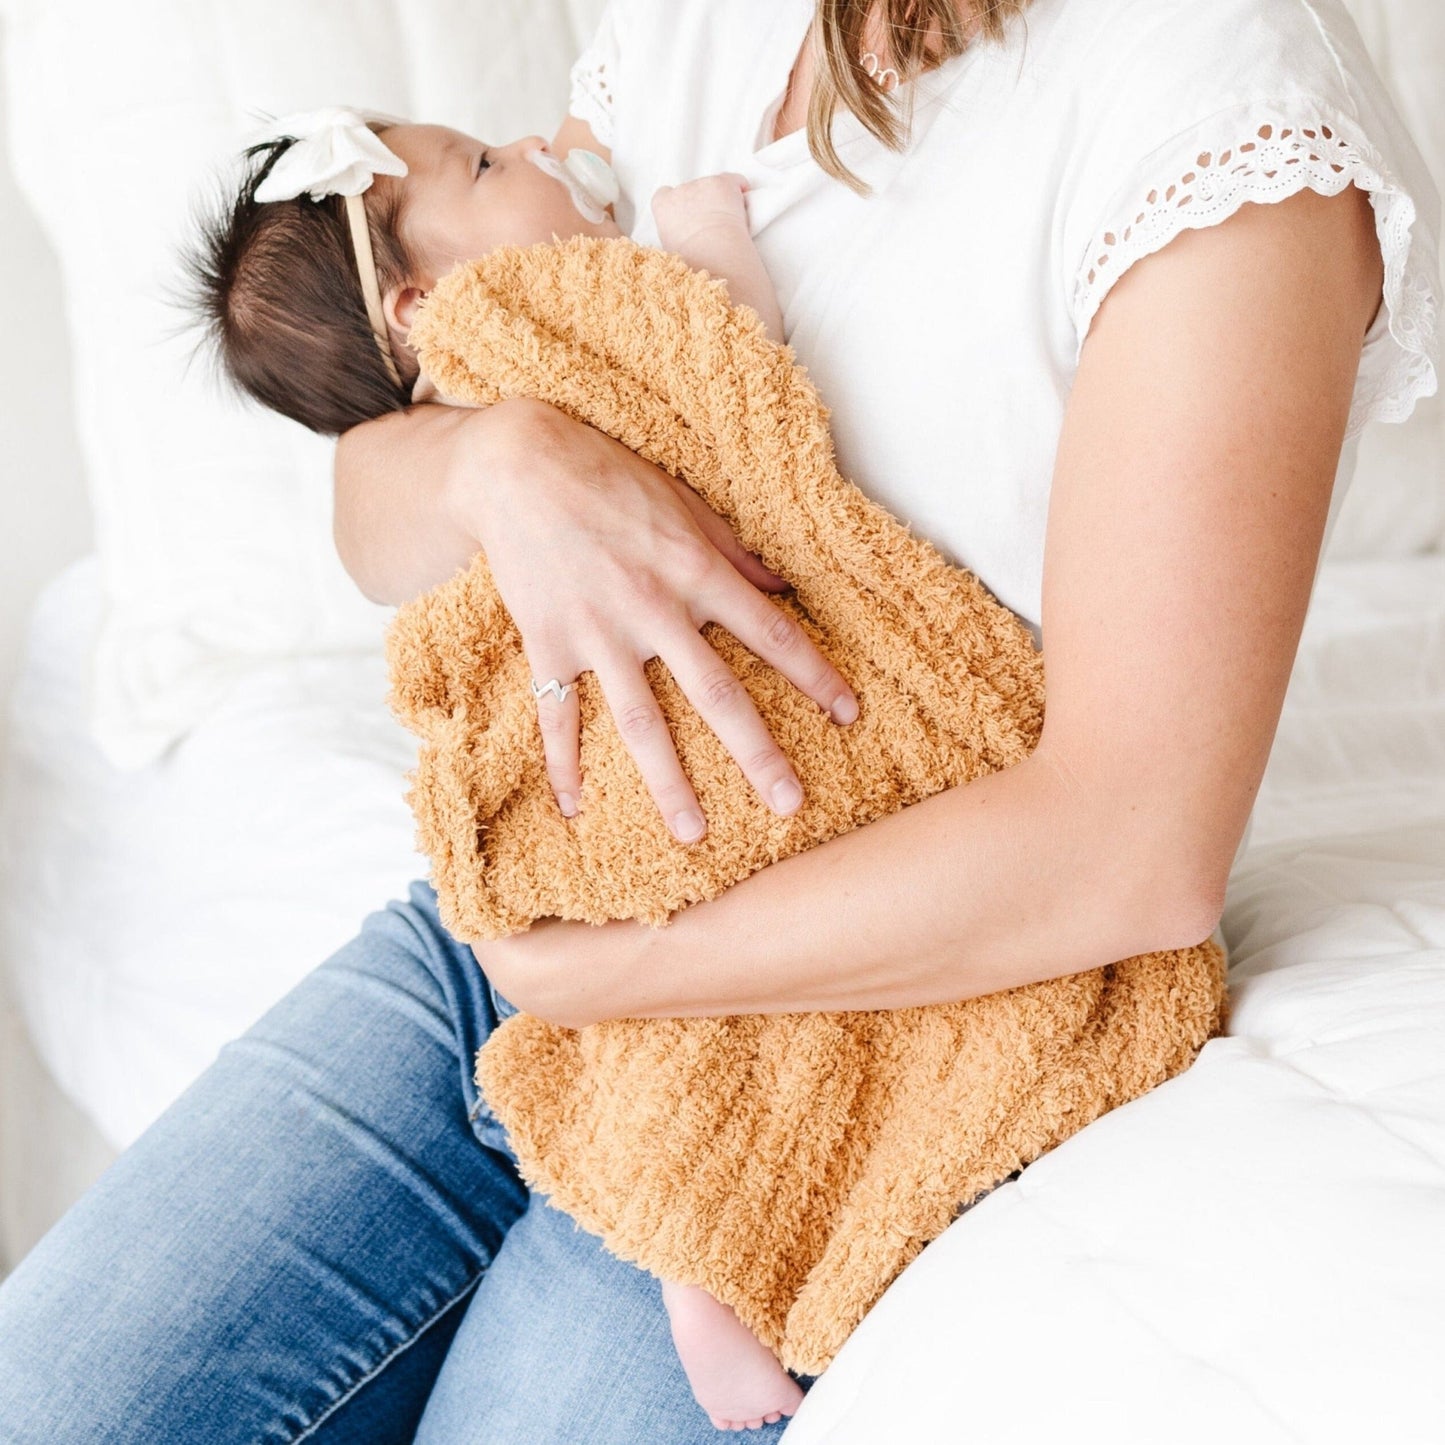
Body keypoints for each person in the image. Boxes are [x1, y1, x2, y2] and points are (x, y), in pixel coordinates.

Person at [0, 0, 1437, 1440]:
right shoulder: (713, 28)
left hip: (832, 989)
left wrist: (608, 976)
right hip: (558, 905)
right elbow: (374, 483)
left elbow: (1135, 845)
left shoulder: (1214, 105)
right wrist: (505, 463)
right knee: (50, 1398)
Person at [181, 105, 837, 1430]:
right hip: (598, 807)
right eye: (484, 164)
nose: (530, 149)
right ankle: (696, 1266)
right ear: (422, 309)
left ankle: (691, 1264)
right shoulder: (552, 336)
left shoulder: (525, 310)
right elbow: (721, 376)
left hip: (684, 835)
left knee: (679, 1009)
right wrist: (703, 238)